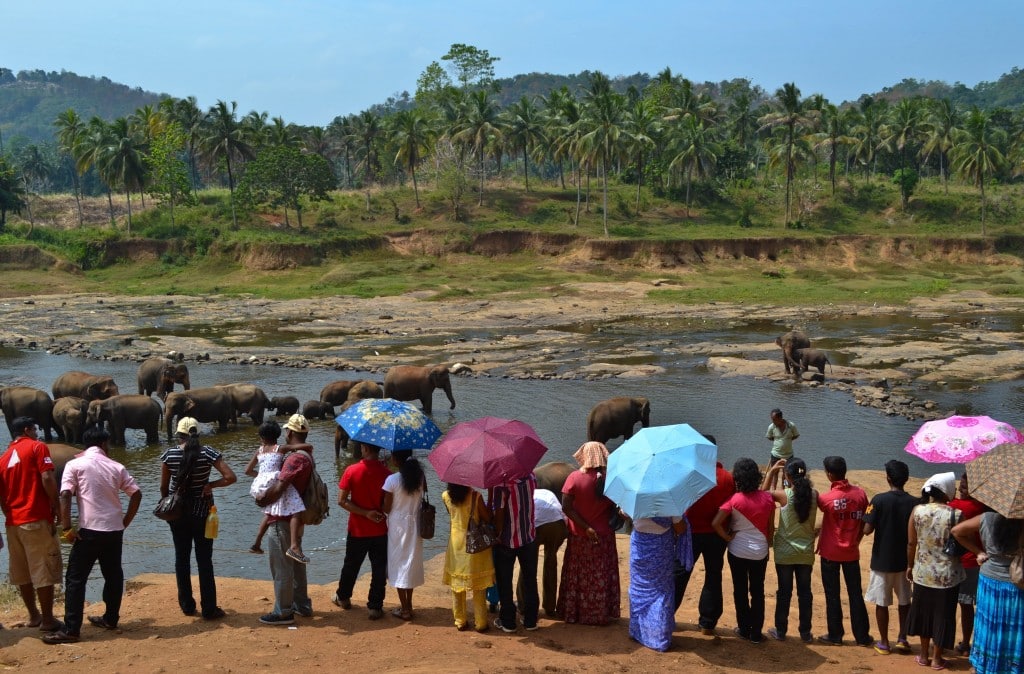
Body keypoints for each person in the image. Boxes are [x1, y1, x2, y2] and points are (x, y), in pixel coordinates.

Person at [43, 426, 142, 644]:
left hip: (89, 530)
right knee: (113, 575)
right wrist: (125, 521)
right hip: (114, 530)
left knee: (76, 579)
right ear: (104, 444)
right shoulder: (116, 466)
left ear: (86, 445)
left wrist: (67, 527)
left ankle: (71, 629)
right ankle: (111, 618)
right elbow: (136, 494)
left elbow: (66, 494)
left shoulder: (75, 465)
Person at [160, 416, 236, 620]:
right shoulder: (209, 453)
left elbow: (163, 487)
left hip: (178, 514)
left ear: (179, 435)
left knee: (181, 558)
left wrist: (169, 507)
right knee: (205, 560)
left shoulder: (170, 455)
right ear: (197, 433)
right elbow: (231, 477)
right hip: (203, 514)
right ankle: (209, 608)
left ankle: (187, 605)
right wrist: (210, 485)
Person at [0, 416, 63, 632]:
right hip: (35, 518)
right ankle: (47, 620)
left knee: (22, 572)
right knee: (44, 568)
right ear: (27, 430)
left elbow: (1, 495)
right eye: (35, 429)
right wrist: (57, 507)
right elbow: (47, 478)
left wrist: (8, 513)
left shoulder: (4, 457)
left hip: (13, 522)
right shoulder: (38, 447)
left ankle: (34, 616)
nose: (37, 433)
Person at [712, 457, 785, 644]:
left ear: (737, 478)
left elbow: (716, 523)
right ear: (756, 477)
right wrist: (766, 543)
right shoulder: (768, 499)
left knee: (740, 589)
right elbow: (770, 529)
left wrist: (727, 537)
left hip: (737, 551)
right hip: (760, 551)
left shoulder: (734, 499)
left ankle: (743, 628)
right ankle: (756, 633)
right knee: (758, 591)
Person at [255, 414, 316, 625]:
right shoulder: (306, 454)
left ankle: (283, 611)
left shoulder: (294, 458)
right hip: (296, 518)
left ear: (289, 432)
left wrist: (263, 499)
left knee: (282, 566)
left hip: (282, 517)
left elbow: (280, 487)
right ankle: (302, 605)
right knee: (296, 562)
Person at [673, 435, 735, 636]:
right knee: (713, 575)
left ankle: (666, 614)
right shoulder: (727, 477)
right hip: (717, 535)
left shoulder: (688, 474)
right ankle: (708, 622)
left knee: (679, 574)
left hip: (690, 534)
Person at [952, 511, 1024, 674]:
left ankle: (985, 666)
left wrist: (979, 552)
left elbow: (957, 531)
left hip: (989, 580)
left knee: (989, 625)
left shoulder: (987, 518)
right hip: (1018, 583)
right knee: (1015, 628)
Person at [906, 472, 965, 670]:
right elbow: (961, 541)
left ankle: (923, 655)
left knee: (924, 613)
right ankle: (938, 658)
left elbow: (911, 542)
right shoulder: (955, 514)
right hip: (947, 575)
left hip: (923, 573)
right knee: (943, 614)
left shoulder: (918, 510)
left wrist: (910, 566)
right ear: (947, 491)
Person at [557, 441, 619, 626]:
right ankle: (600, 614)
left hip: (580, 537)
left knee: (578, 574)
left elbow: (566, 508)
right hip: (604, 536)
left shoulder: (574, 478)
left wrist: (585, 527)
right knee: (601, 574)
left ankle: (574, 613)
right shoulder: (611, 480)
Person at [862, 459, 919, 655]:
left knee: (882, 601)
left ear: (887, 478)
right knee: (905, 601)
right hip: (905, 561)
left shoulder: (878, 500)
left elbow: (867, 529)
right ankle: (903, 638)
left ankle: (884, 642)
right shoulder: (915, 502)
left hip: (882, 560)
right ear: (906, 479)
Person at [816, 455, 872, 646]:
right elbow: (866, 518)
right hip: (851, 552)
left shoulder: (826, 499)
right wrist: (857, 539)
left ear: (830, 475)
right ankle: (862, 636)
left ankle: (836, 635)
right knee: (855, 593)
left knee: (832, 595)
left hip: (830, 553)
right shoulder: (861, 494)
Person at [334, 440, 390, 620]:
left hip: (358, 529)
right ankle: (375, 606)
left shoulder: (351, 470)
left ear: (364, 448)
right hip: (380, 529)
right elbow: (388, 506)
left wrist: (365, 513)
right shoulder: (387, 474)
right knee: (379, 569)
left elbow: (341, 501)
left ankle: (343, 597)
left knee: (351, 565)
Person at [763, 458, 817, 643]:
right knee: (805, 593)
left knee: (784, 593)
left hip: (785, 553)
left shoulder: (783, 495)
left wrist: (771, 472)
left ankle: (780, 631)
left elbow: (761, 495)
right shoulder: (815, 495)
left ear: (787, 475)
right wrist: (817, 531)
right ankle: (805, 633)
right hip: (806, 553)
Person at [245, 420, 308, 563]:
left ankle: (256, 543)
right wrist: (302, 448)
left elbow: (247, 470)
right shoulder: (279, 448)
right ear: (278, 435)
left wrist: (261, 476)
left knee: (269, 512)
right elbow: (304, 445)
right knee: (296, 509)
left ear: (261, 437)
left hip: (259, 485)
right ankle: (294, 546)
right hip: (275, 481)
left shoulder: (259, 450)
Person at [629, 514, 690, 651]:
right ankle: (658, 637)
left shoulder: (637, 497)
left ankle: (637, 631)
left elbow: (624, 513)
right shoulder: (670, 504)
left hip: (639, 547)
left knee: (639, 588)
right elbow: (680, 529)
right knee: (660, 590)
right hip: (661, 548)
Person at [442, 483, 495, 632]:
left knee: (457, 586)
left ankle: (460, 620)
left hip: (456, 544)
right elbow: (487, 518)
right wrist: (490, 499)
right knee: (478, 587)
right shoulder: (475, 496)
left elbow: (452, 515)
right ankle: (481, 623)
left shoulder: (446, 496)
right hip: (474, 544)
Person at [490, 471, 539, 633]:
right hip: (529, 537)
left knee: (505, 581)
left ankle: (508, 621)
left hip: (507, 541)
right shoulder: (531, 477)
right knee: (530, 580)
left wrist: (496, 535)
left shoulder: (501, 485)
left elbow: (499, 514)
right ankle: (531, 620)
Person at [382, 450, 425, 620]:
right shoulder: (420, 477)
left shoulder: (392, 480)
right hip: (415, 524)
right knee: (410, 562)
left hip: (397, 526)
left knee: (398, 564)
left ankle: (405, 608)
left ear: (395, 459)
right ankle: (409, 604)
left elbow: (386, 508)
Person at [947, 471, 986, 657]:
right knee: (967, 604)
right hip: (974, 563)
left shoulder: (957, 505)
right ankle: (965, 642)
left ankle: (951, 641)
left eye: (965, 485)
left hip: (962, 562)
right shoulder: (984, 507)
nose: (962, 487)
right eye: (961, 484)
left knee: (955, 603)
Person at [521, 487, 567, 619]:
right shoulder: (548, 492)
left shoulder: (527, 495)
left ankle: (524, 605)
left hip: (537, 526)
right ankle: (550, 606)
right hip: (558, 525)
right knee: (550, 561)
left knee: (528, 565)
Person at [765, 409, 798, 490]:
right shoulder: (771, 427)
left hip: (788, 455)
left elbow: (796, 435)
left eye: (774, 419)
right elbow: (769, 437)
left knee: (786, 474)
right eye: (772, 419)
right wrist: (779, 441)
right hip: (775, 454)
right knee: (775, 474)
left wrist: (787, 441)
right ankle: (774, 490)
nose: (772, 421)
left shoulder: (791, 425)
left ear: (780, 418)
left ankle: (784, 489)